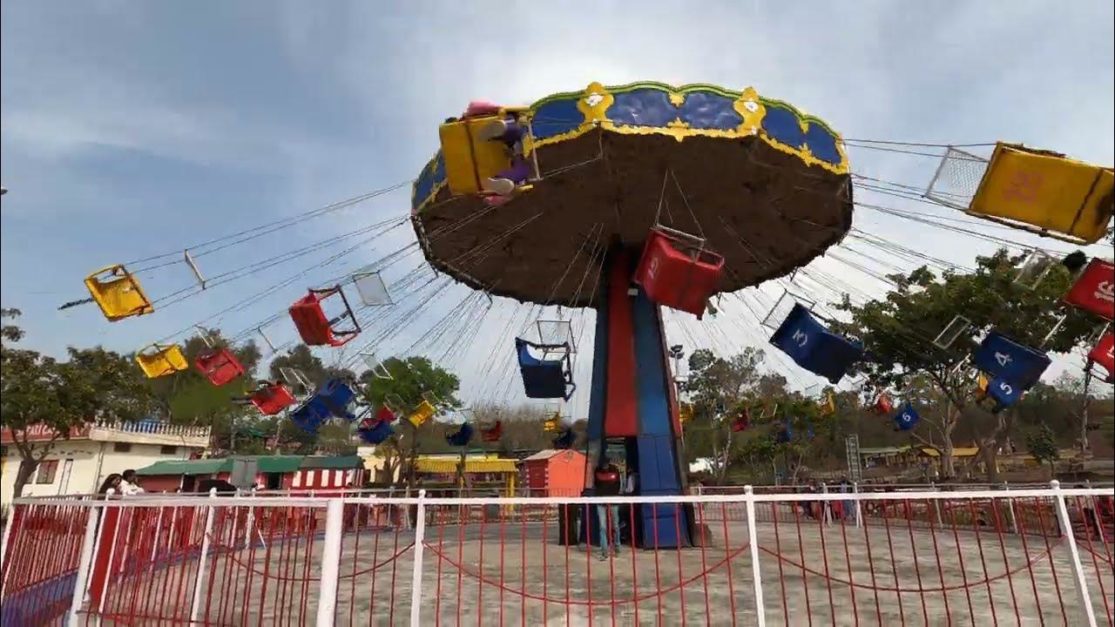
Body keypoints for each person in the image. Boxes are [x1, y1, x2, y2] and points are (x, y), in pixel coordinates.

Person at [593, 457, 622, 560]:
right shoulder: (597, 471)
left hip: (613, 501)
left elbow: (618, 484)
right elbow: (596, 484)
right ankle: (604, 552)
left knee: (615, 526)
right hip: (601, 502)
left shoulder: (615, 470)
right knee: (602, 527)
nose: (604, 466)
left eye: (605, 464)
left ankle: (617, 547)